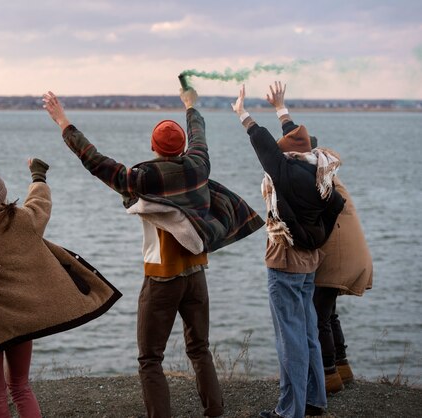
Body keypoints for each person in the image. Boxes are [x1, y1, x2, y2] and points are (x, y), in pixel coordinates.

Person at [43, 88, 264, 418]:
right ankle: (215, 412)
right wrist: (190, 106)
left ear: (153, 147)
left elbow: (94, 160)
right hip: (197, 277)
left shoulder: (142, 179)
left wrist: (63, 121)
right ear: (182, 149)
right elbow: (199, 136)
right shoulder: (198, 167)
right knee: (200, 348)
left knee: (150, 358)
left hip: (163, 280)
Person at [0, 160, 121, 418]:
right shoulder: (22, 220)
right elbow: (40, 202)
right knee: (21, 387)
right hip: (24, 320)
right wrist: (38, 175)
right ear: (1, 195)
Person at [232, 81, 346, 418]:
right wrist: (281, 108)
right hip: (309, 261)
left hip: (285, 262)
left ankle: (289, 411)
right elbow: (293, 138)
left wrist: (243, 114)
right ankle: (314, 401)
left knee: (290, 340)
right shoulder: (320, 169)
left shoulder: (284, 172)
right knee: (308, 332)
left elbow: (265, 145)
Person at [312, 156, 373, 393]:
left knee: (319, 315)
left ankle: (329, 376)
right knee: (329, 313)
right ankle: (342, 367)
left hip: (337, 259)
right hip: (350, 255)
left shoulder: (323, 185)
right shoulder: (332, 179)